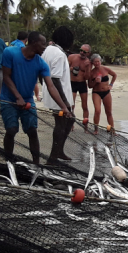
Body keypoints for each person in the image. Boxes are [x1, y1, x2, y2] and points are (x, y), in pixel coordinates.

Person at [1, 31, 67, 164]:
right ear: (33, 43)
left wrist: (64, 107)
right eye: (43, 44)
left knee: (32, 131)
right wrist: (18, 97)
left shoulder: (41, 63)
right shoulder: (10, 52)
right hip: (9, 99)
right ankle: (8, 161)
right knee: (11, 130)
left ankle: (36, 164)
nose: (44, 47)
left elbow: (51, 86)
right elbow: (6, 76)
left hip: (28, 101)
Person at [40, 27, 76, 164]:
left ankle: (59, 151)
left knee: (70, 120)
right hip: (58, 96)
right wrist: (65, 103)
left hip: (52, 92)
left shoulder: (48, 50)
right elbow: (55, 79)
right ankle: (53, 158)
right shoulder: (59, 55)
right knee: (61, 124)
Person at [87, 54, 117, 134]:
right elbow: (89, 86)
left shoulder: (105, 69)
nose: (97, 63)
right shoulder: (91, 73)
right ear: (92, 63)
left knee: (109, 112)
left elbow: (114, 75)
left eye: (98, 61)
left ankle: (112, 129)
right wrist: (95, 82)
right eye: (95, 62)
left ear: (100, 61)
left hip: (106, 92)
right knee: (97, 110)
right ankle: (96, 129)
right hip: (96, 92)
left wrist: (111, 84)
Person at [68, 44, 92, 123]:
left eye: (84, 52)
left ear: (88, 53)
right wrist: (72, 69)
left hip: (82, 83)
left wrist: (87, 68)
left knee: (84, 106)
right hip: (72, 83)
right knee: (72, 105)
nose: (82, 52)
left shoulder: (88, 62)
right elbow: (64, 68)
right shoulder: (72, 57)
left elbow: (87, 77)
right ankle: (70, 124)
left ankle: (86, 125)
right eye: (81, 50)